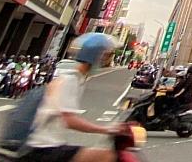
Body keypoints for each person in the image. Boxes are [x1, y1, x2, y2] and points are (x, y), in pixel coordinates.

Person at [21, 33, 120, 162]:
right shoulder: (70, 80)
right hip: (42, 147)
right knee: (106, 156)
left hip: (46, 145)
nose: (105, 60)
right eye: (105, 55)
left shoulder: (76, 78)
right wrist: (106, 129)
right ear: (95, 56)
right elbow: (69, 120)